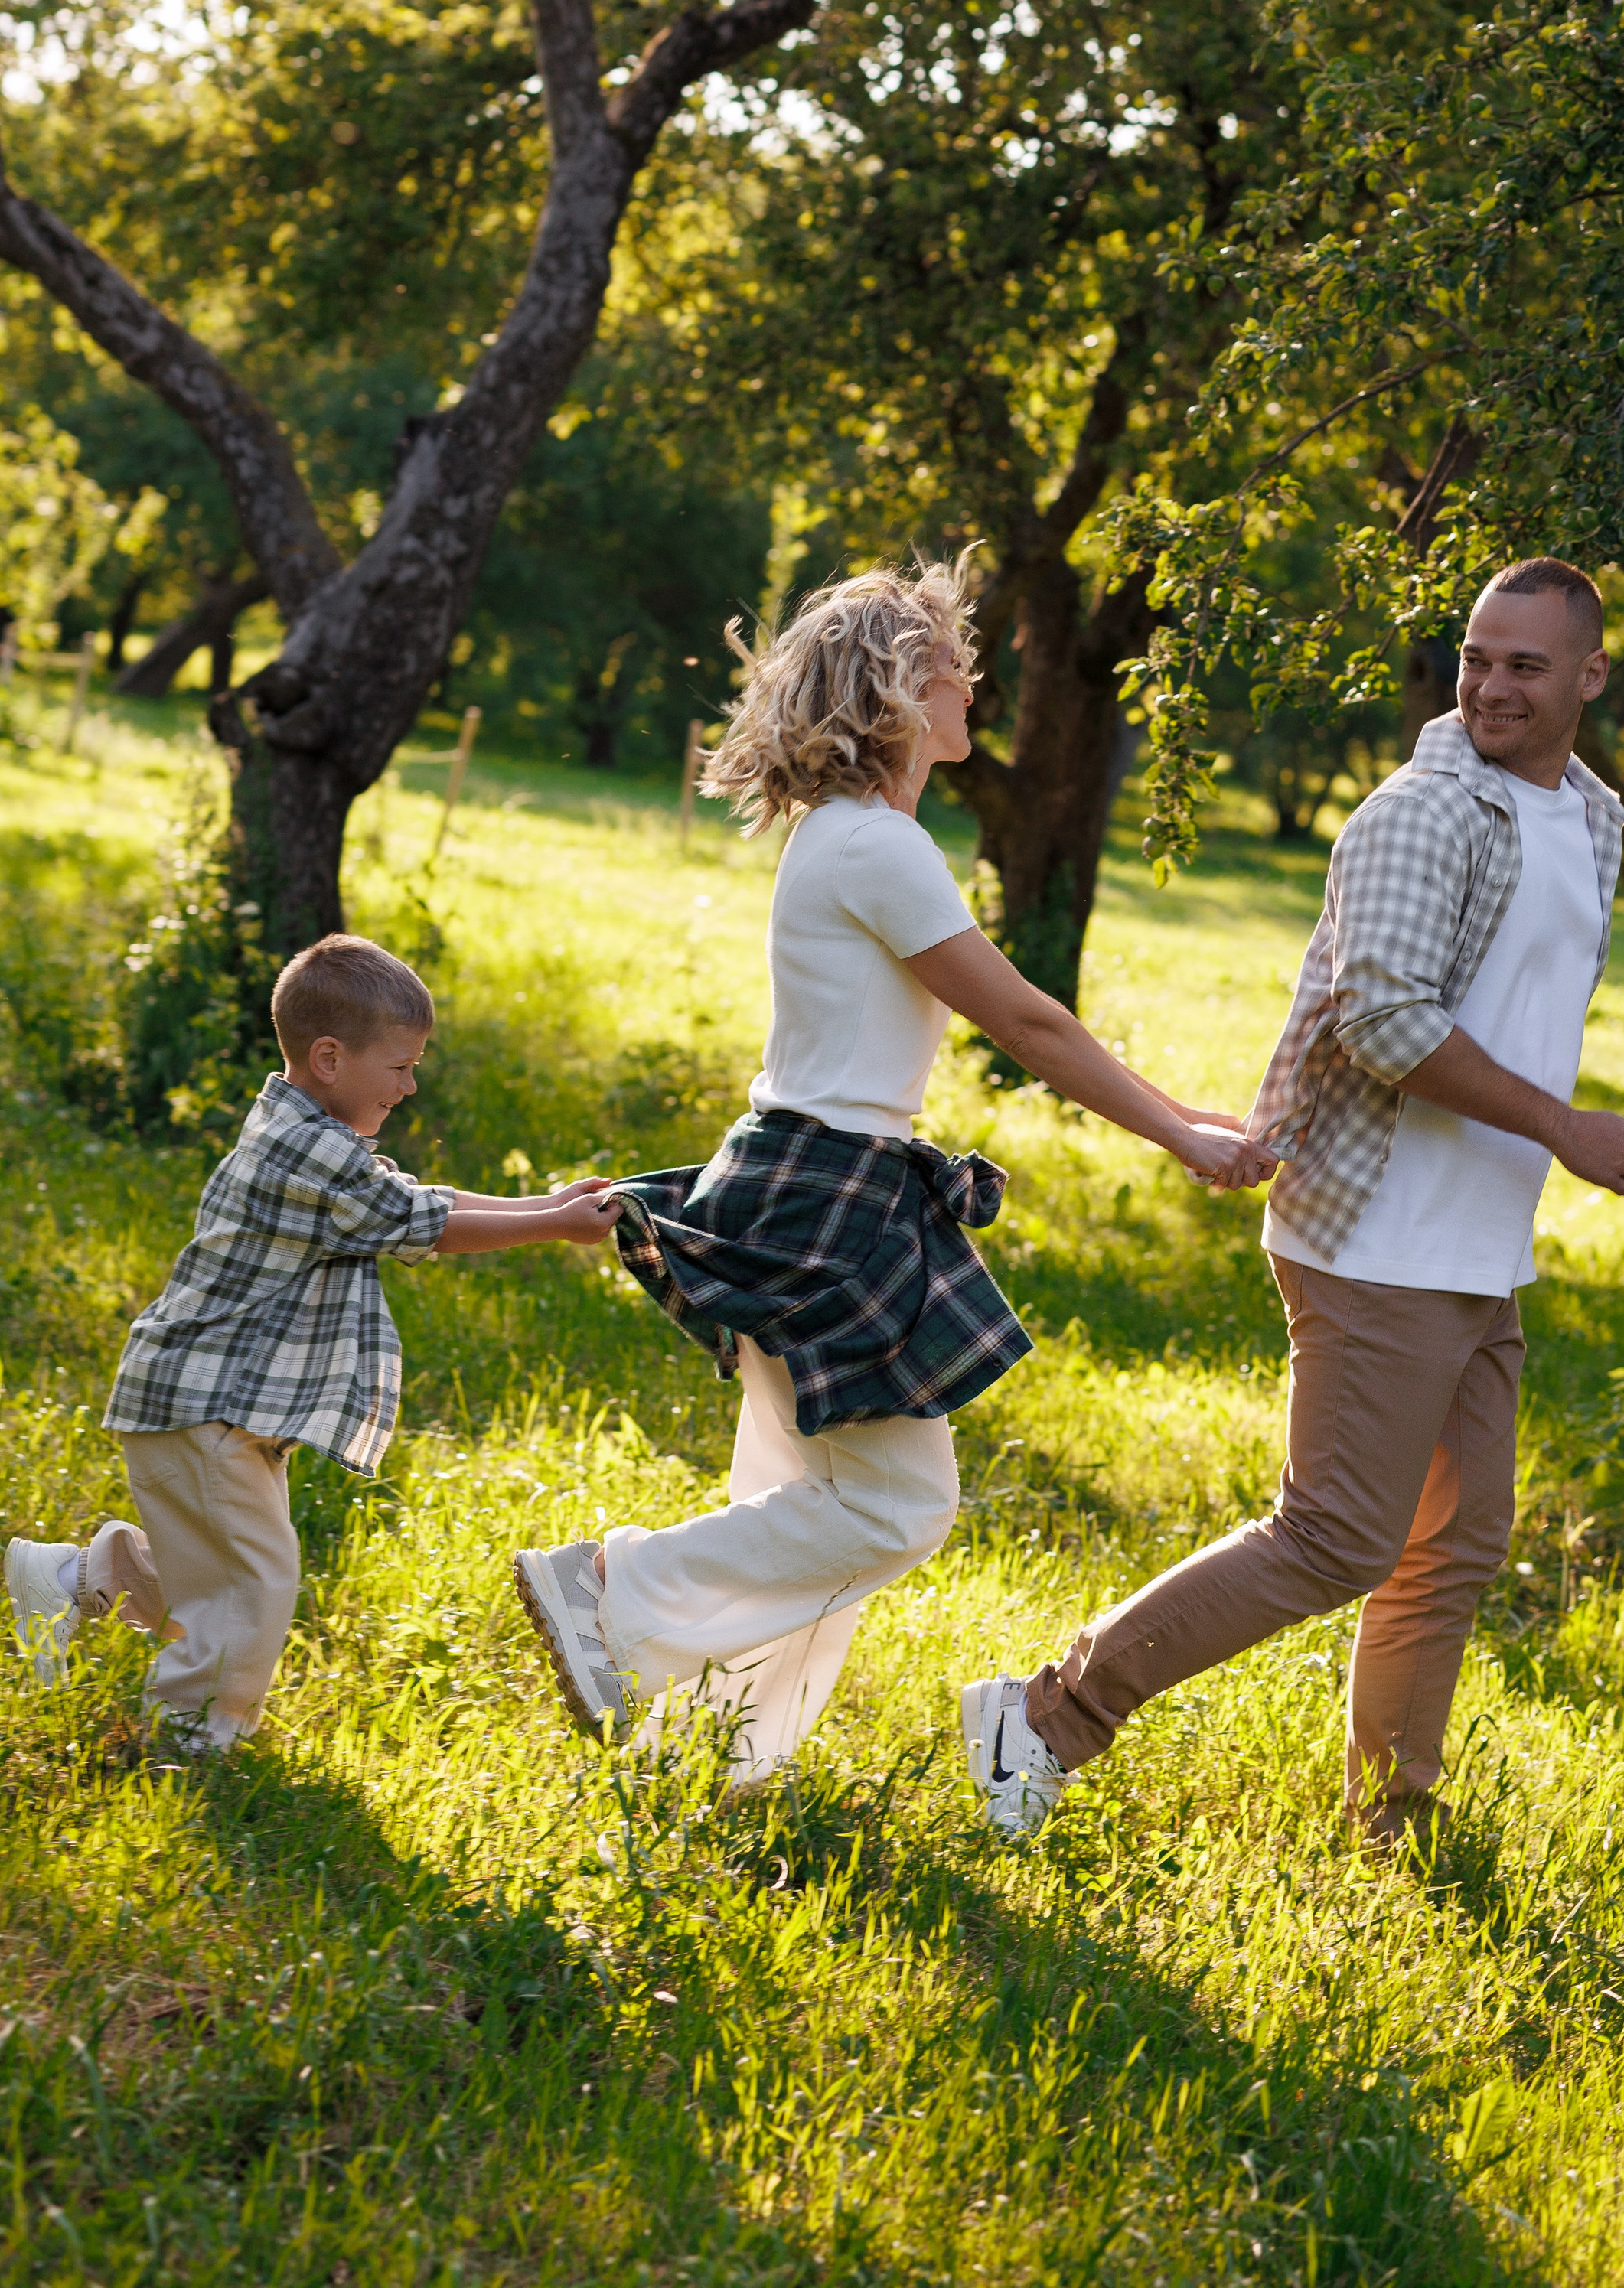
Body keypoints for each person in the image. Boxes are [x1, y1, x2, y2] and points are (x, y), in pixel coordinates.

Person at [513, 562, 1272, 1787]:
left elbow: (1031, 1028)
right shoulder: (878, 848)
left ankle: (714, 1754)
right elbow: (1031, 1027)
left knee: (800, 1489)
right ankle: (607, 1590)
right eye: (951, 664)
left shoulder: (854, 839)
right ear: (901, 691)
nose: (974, 681)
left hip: (814, 1175)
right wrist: (1181, 1138)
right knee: (895, 1508)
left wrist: (1193, 1115)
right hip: (831, 1191)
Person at [963, 556, 1624, 1840]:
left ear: (1590, 676)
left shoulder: (1592, 818)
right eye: (1476, 655)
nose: (1491, 685)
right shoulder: (1422, 812)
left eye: (1526, 664)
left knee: (1450, 1552)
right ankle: (1047, 1715)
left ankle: (1391, 1818)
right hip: (1380, 1231)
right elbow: (1387, 1024)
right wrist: (1563, 1129)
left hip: (1477, 1247)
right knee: (1337, 1538)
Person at [5, 932, 619, 1750]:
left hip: (210, 1404)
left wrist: (538, 1203)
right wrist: (552, 1225)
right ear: (329, 1058)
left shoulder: (309, 1133)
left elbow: (416, 1198)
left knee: (220, 1568)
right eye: (401, 1066)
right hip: (204, 1406)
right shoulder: (308, 1149)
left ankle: (77, 1578)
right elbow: (416, 1225)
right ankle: (192, 1732)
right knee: (256, 1578)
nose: (409, 1086)